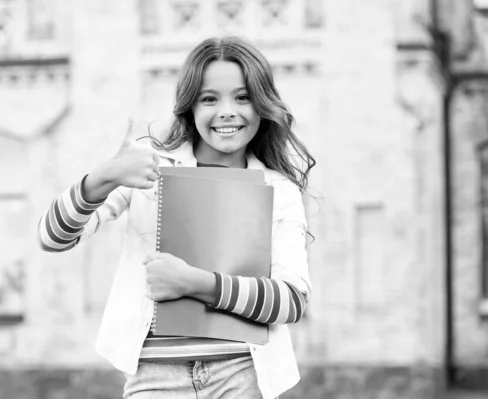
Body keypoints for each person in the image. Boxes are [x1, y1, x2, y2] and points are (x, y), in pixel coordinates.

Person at [37, 36, 315, 399]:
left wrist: (196, 283)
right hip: (155, 376)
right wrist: (102, 179)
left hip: (244, 375)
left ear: (262, 104)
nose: (227, 111)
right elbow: (52, 238)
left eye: (242, 97)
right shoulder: (149, 167)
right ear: (191, 107)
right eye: (210, 98)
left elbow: (291, 301)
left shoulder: (279, 189)